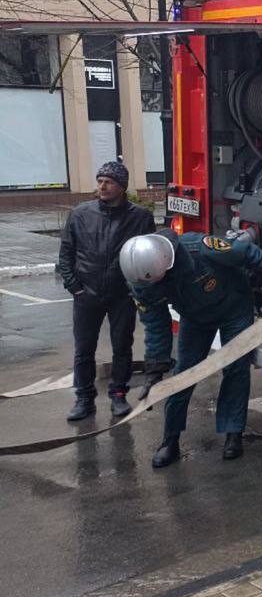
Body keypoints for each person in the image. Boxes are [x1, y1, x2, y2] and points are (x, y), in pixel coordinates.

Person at [119, 229, 262, 468]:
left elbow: (247, 252)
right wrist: (154, 370)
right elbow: (155, 326)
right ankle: (170, 441)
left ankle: (233, 433)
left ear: (166, 263)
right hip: (194, 318)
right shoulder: (143, 283)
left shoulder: (200, 248)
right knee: (183, 375)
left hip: (233, 307)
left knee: (236, 368)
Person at [56, 161, 155, 422]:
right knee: (84, 349)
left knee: (122, 346)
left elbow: (148, 257)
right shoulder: (80, 214)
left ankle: (119, 394)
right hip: (86, 294)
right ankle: (84, 398)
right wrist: (74, 287)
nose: (102, 185)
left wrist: (137, 289)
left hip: (122, 294)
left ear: (121, 187)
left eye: (108, 181)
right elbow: (66, 254)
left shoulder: (140, 218)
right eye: (100, 180)